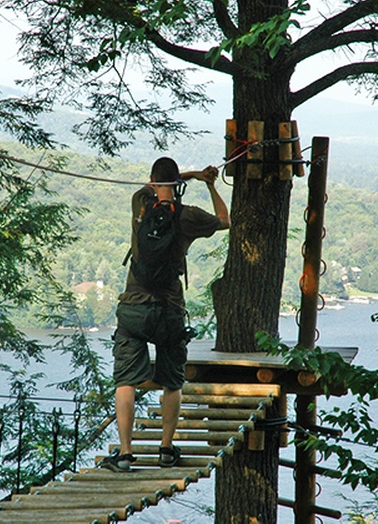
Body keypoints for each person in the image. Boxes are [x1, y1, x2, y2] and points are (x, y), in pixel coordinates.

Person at [99, 157, 231, 472]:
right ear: (178, 184)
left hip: (134, 308)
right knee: (172, 381)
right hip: (170, 311)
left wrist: (187, 175)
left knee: (125, 382)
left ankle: (126, 454)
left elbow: (157, 185)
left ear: (153, 181)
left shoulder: (140, 204)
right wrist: (208, 183)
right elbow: (225, 220)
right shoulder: (189, 217)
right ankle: (166, 450)